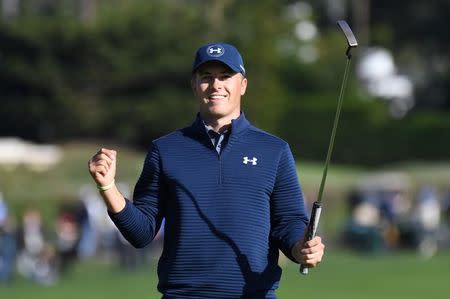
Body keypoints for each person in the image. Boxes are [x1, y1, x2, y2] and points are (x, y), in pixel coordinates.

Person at [88, 42, 325, 298]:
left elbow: (288, 222)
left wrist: (300, 247)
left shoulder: (273, 150)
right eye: (206, 77)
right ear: (194, 85)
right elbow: (141, 233)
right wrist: (107, 187)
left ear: (242, 85)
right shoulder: (165, 149)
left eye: (225, 77)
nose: (216, 86)